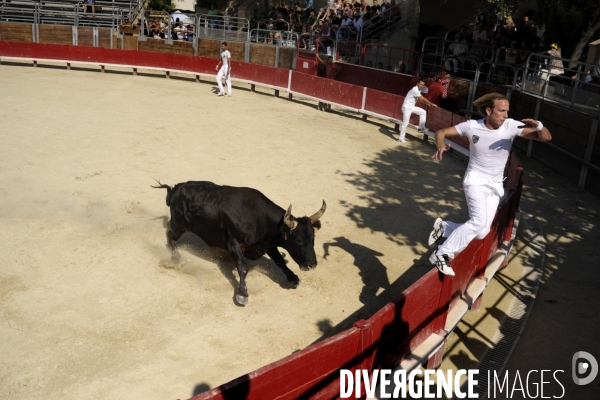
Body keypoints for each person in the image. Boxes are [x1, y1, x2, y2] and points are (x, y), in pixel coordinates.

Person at [428, 93, 552, 275]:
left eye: (507, 111)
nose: (506, 115)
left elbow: (545, 138)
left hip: (495, 185)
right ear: (489, 110)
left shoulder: (510, 126)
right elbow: (442, 132)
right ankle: (442, 253)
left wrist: (539, 126)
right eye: (501, 111)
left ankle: (445, 227)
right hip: (475, 180)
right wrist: (440, 144)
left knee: (481, 231)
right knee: (478, 221)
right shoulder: (471, 126)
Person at [398, 78, 437, 143]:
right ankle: (401, 138)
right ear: (417, 83)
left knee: (423, 112)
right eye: (420, 84)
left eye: (423, 85)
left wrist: (427, 103)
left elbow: (420, 99)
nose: (421, 86)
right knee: (405, 123)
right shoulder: (415, 89)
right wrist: (431, 103)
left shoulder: (418, 90)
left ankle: (421, 128)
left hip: (411, 107)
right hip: (407, 108)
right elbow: (423, 98)